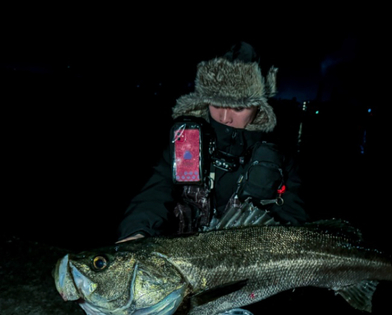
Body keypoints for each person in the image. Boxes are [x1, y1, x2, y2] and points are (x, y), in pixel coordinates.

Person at [116, 41, 308, 243]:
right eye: (216, 104)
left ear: (258, 107)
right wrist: (136, 231)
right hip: (188, 259)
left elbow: (293, 214)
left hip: (250, 259)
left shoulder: (279, 155)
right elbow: (155, 193)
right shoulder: (185, 141)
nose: (224, 117)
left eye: (238, 108)